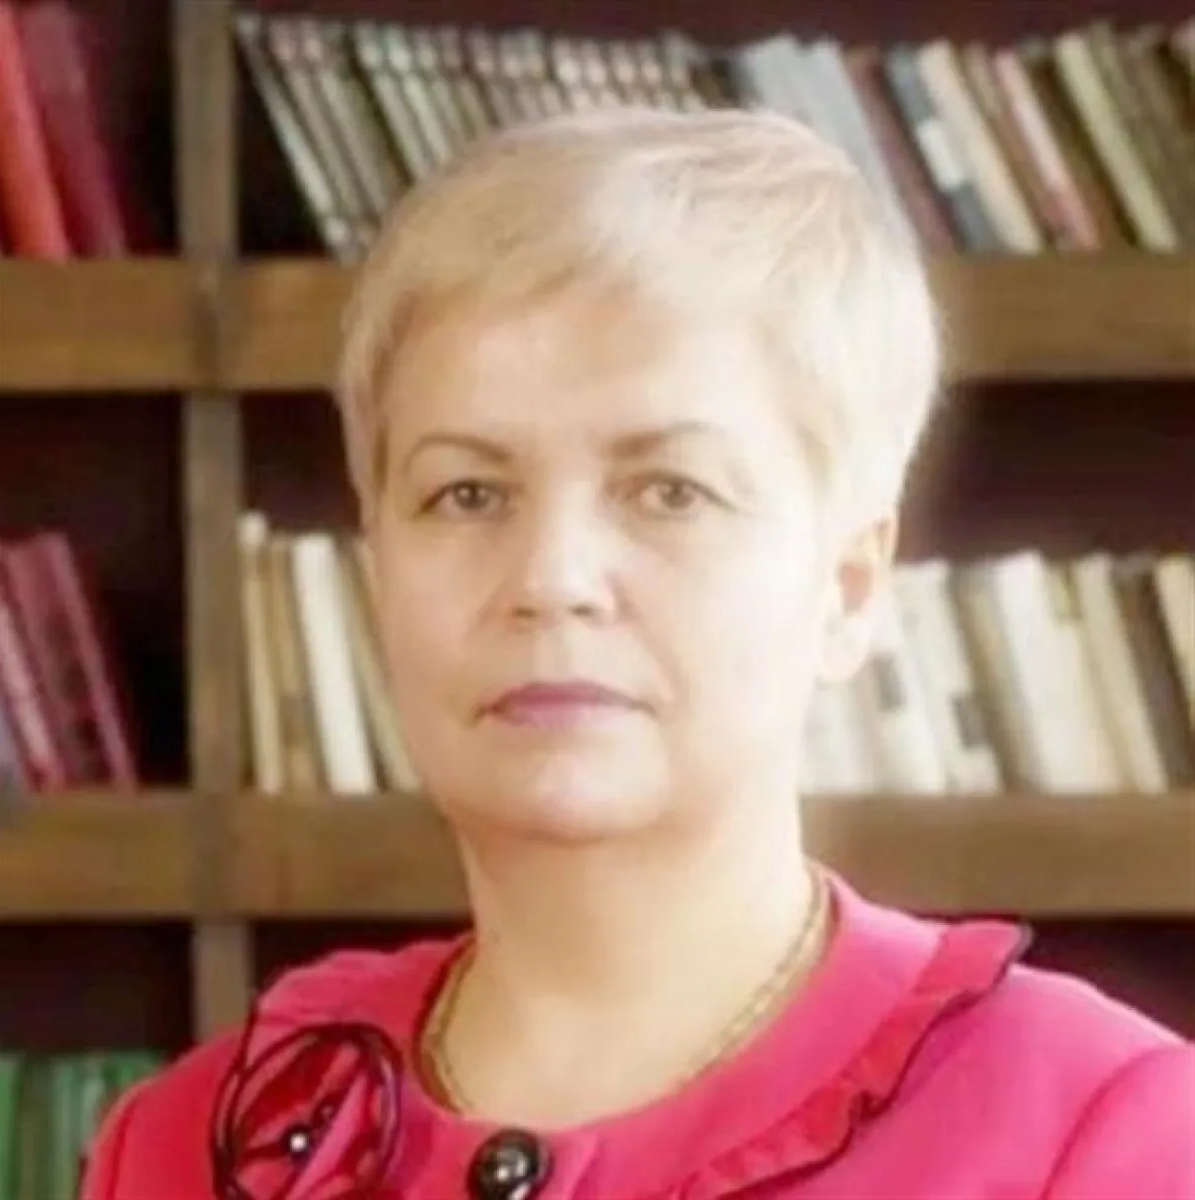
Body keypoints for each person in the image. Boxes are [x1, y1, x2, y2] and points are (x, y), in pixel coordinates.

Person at [82, 107, 1192, 1200]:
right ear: (377, 575)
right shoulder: (183, 1146)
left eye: (670, 490)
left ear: (849, 587)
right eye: (466, 493)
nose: (550, 576)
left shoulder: (1100, 1130)